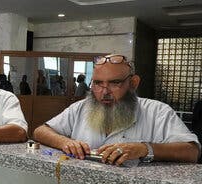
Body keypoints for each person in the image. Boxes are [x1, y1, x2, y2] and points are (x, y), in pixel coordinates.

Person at [33, 54, 200, 164]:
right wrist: (65, 142)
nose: (104, 92)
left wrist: (144, 149)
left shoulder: (157, 111)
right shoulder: (81, 108)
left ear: (133, 83)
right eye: (98, 83)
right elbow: (40, 131)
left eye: (114, 83)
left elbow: (191, 151)